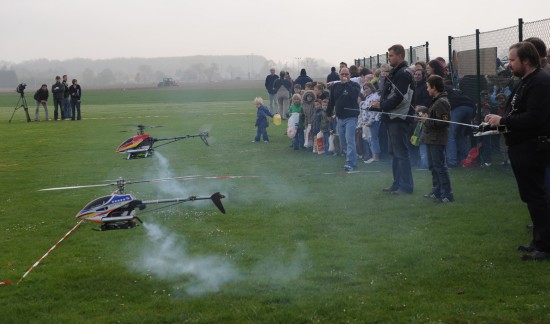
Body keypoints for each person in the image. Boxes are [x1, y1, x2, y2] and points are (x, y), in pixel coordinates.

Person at [485, 42, 550, 261]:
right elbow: (517, 113)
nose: (509, 64)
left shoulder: (540, 82)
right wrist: (496, 122)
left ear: (527, 60)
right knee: (531, 196)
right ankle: (538, 241)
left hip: (533, 147)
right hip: (522, 146)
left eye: (512, 60)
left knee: (537, 196)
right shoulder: (525, 81)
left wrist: (503, 120)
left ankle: (544, 246)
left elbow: (534, 118)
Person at [371, 44, 415, 194]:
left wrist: (381, 106)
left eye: (391, 55)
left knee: (401, 153)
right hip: (392, 116)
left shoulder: (403, 73)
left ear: (400, 56)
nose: (389, 58)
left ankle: (406, 186)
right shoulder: (397, 72)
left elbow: (400, 97)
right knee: (395, 153)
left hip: (399, 117)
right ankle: (397, 184)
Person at [420, 75, 453, 203]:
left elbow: (444, 122)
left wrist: (426, 121)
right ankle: (437, 191)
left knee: (439, 166)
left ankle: (447, 194)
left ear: (434, 87)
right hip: (431, 138)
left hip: (437, 139)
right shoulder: (436, 100)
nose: (427, 89)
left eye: (428, 87)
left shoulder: (442, 102)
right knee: (433, 166)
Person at [327, 67, 361, 171]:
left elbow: (354, 95)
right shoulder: (335, 86)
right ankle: (351, 160)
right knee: (343, 142)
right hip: (339, 118)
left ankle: (350, 162)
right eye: (342, 74)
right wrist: (328, 113)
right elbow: (331, 101)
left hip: (351, 117)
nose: (344, 76)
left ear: (350, 75)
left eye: (346, 74)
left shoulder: (355, 85)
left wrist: (347, 84)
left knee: (349, 140)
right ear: (339, 75)